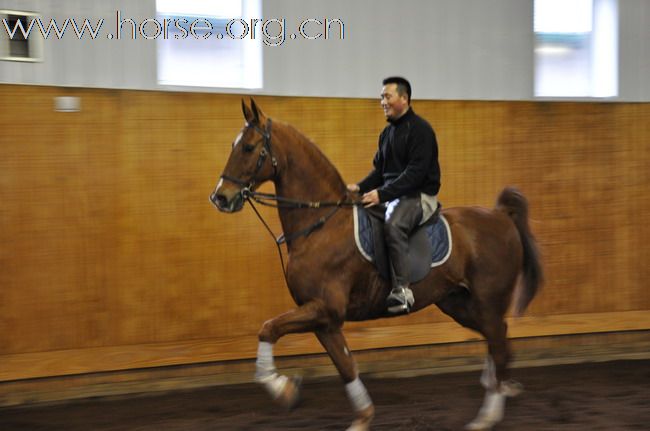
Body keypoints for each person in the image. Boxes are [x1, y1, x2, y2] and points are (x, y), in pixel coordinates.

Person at [348, 77, 441, 314]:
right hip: (394, 196)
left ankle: (402, 290)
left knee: (394, 223)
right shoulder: (386, 134)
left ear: (404, 98)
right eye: (381, 97)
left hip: (419, 196)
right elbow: (380, 173)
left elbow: (415, 174)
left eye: (387, 96)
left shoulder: (421, 130)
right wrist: (358, 189)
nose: (382, 102)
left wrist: (382, 194)